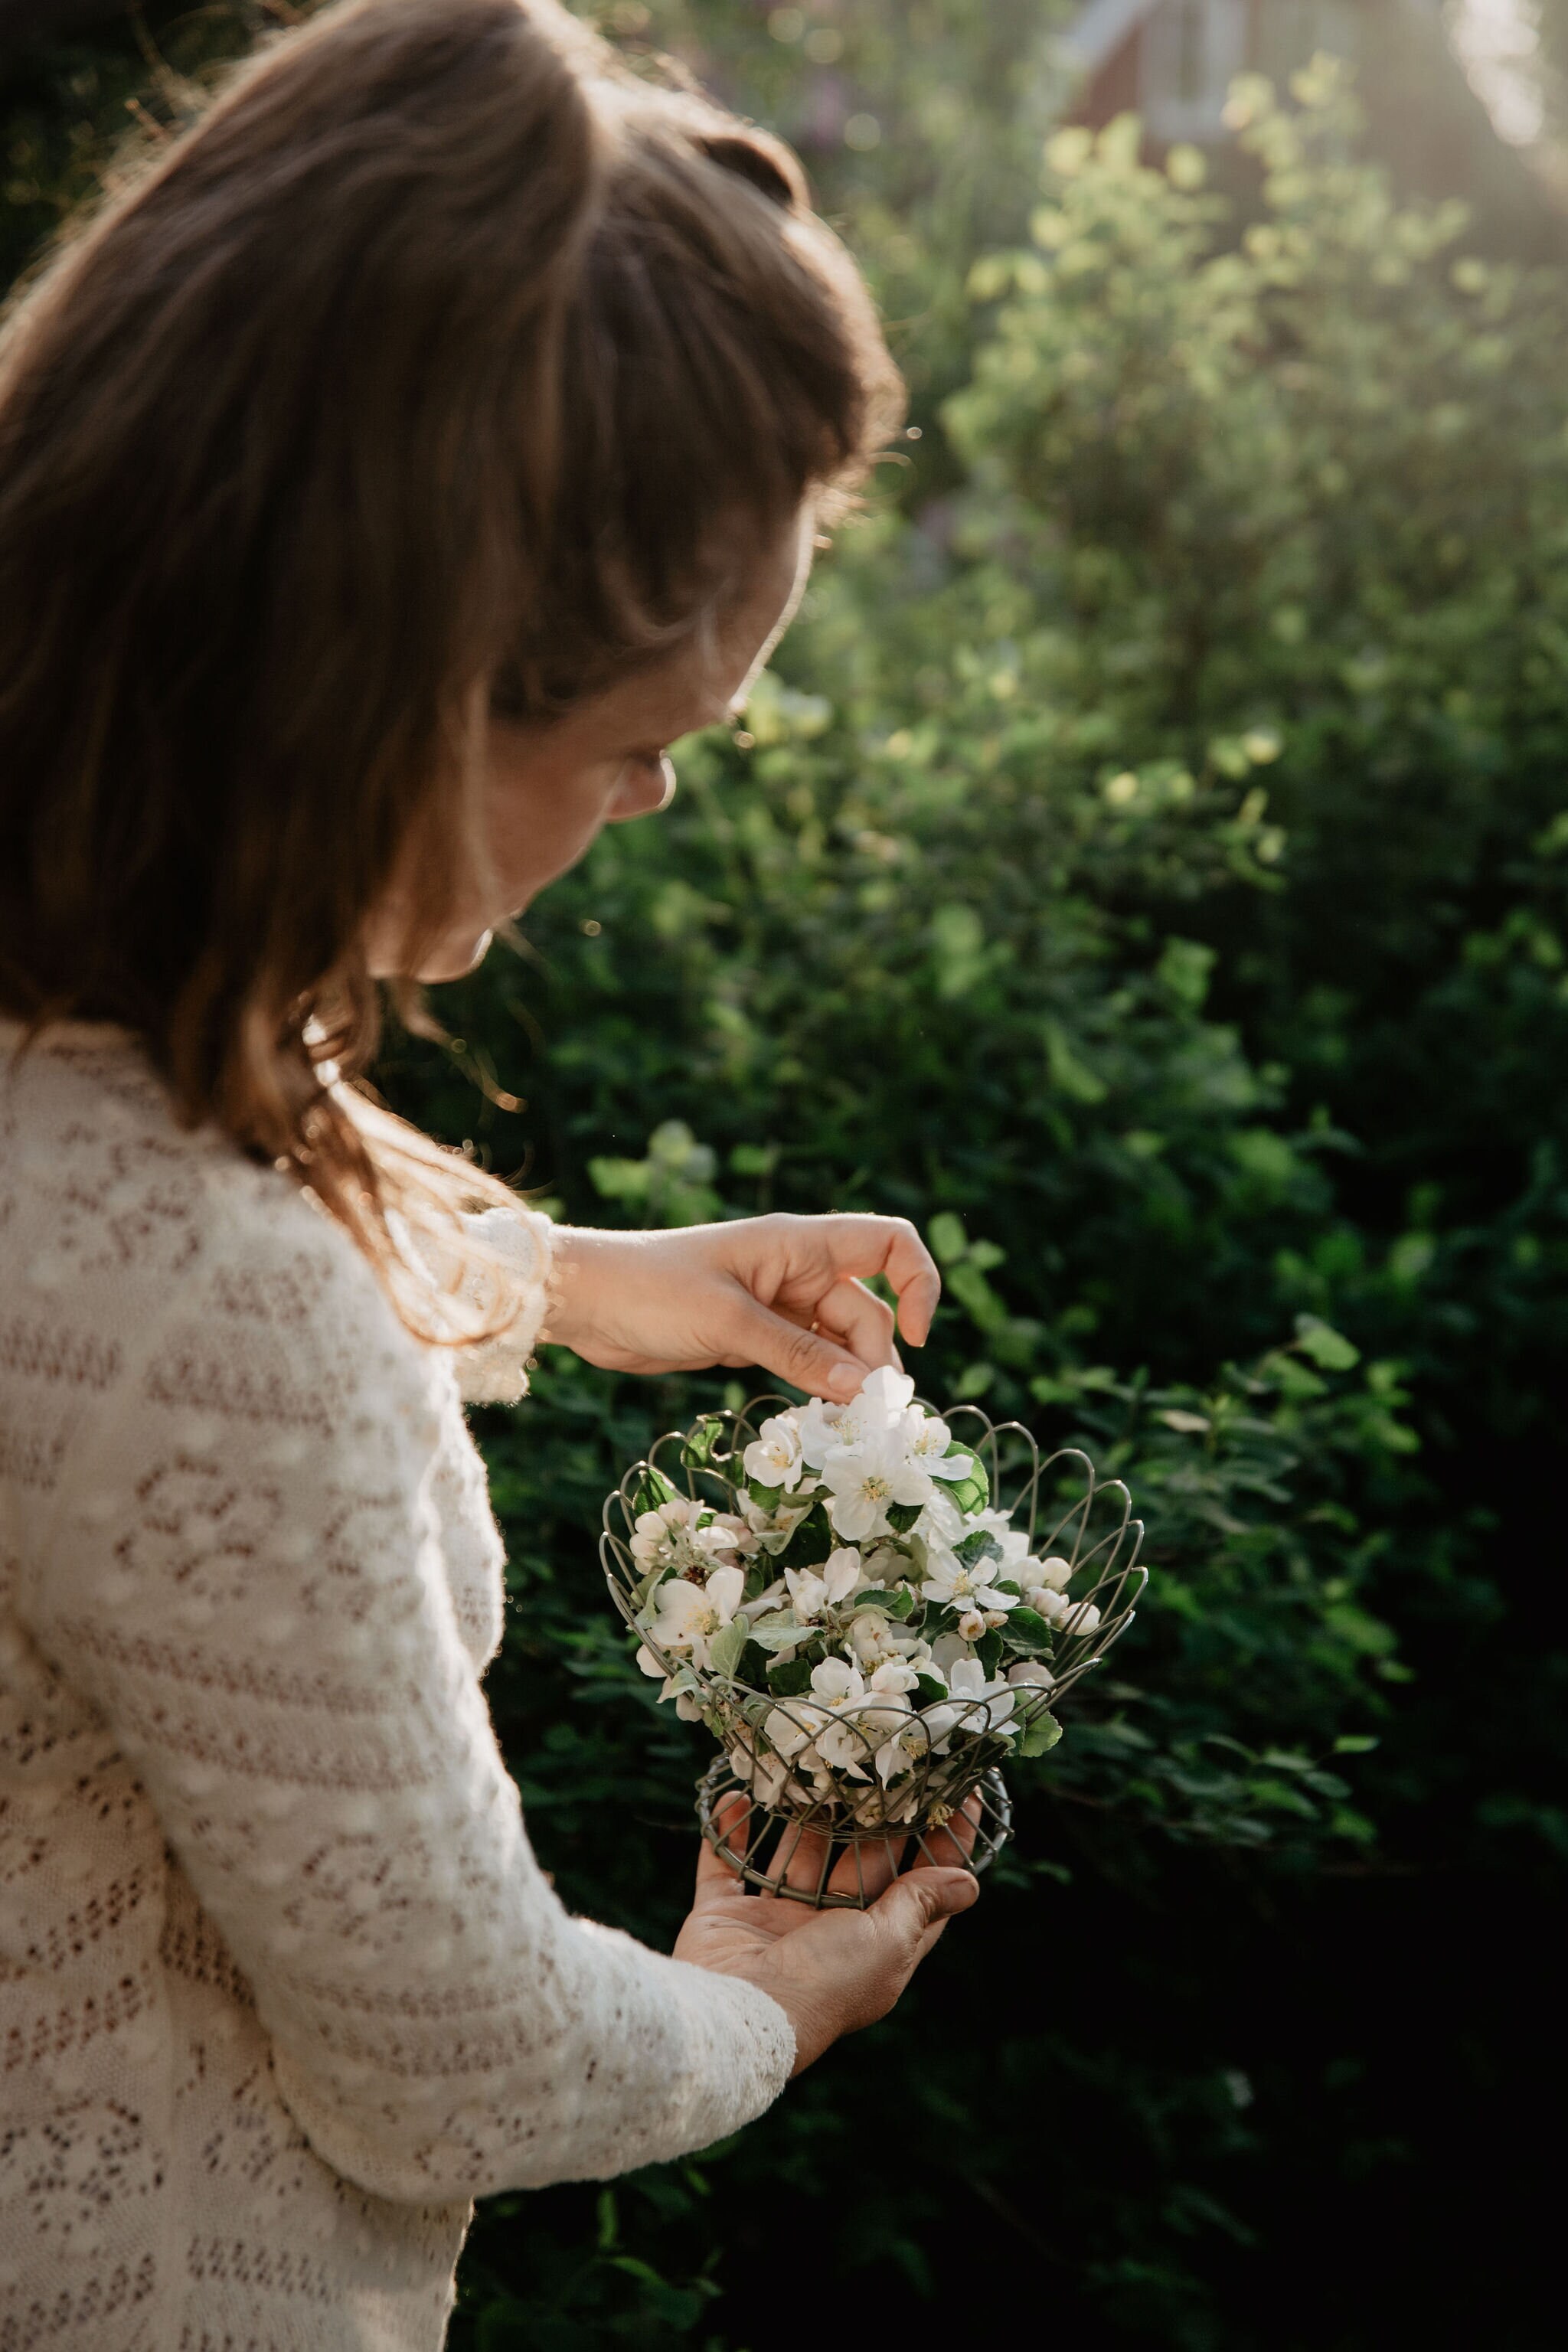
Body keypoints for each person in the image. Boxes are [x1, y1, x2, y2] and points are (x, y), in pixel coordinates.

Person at [0, 2, 979, 2342]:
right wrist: (767, 1989)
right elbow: (455, 2066)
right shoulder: (225, 1294)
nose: (644, 809)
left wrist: (564, 1276)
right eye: (640, 745)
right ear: (402, 681)